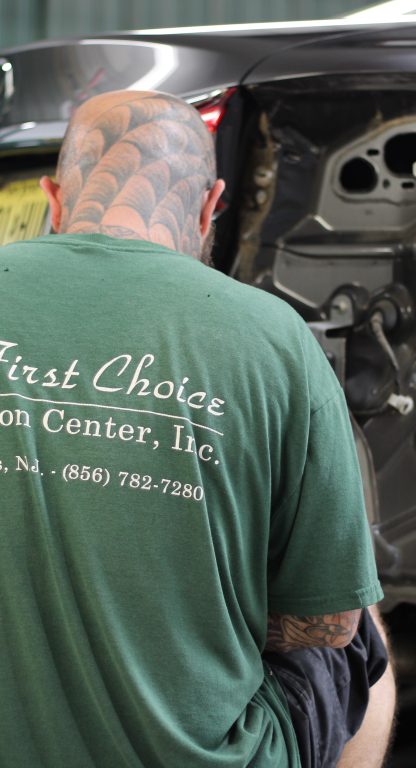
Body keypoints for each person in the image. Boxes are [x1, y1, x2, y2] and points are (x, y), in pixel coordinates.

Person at [0, 89, 395, 767]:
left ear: (53, 199)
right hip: (206, 755)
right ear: (212, 205)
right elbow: (329, 626)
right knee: (358, 619)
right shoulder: (275, 337)